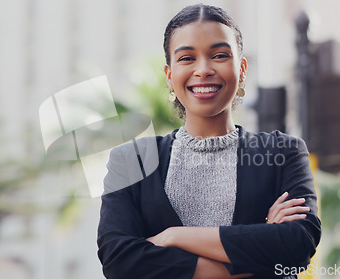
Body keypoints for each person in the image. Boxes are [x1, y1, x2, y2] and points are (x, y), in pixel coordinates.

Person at [97, 4, 321, 279]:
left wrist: (173, 236)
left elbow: (297, 245)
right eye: (187, 58)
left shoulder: (283, 152)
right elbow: (119, 260)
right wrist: (259, 252)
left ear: (242, 69)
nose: (203, 70)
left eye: (219, 55)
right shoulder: (131, 161)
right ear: (169, 75)